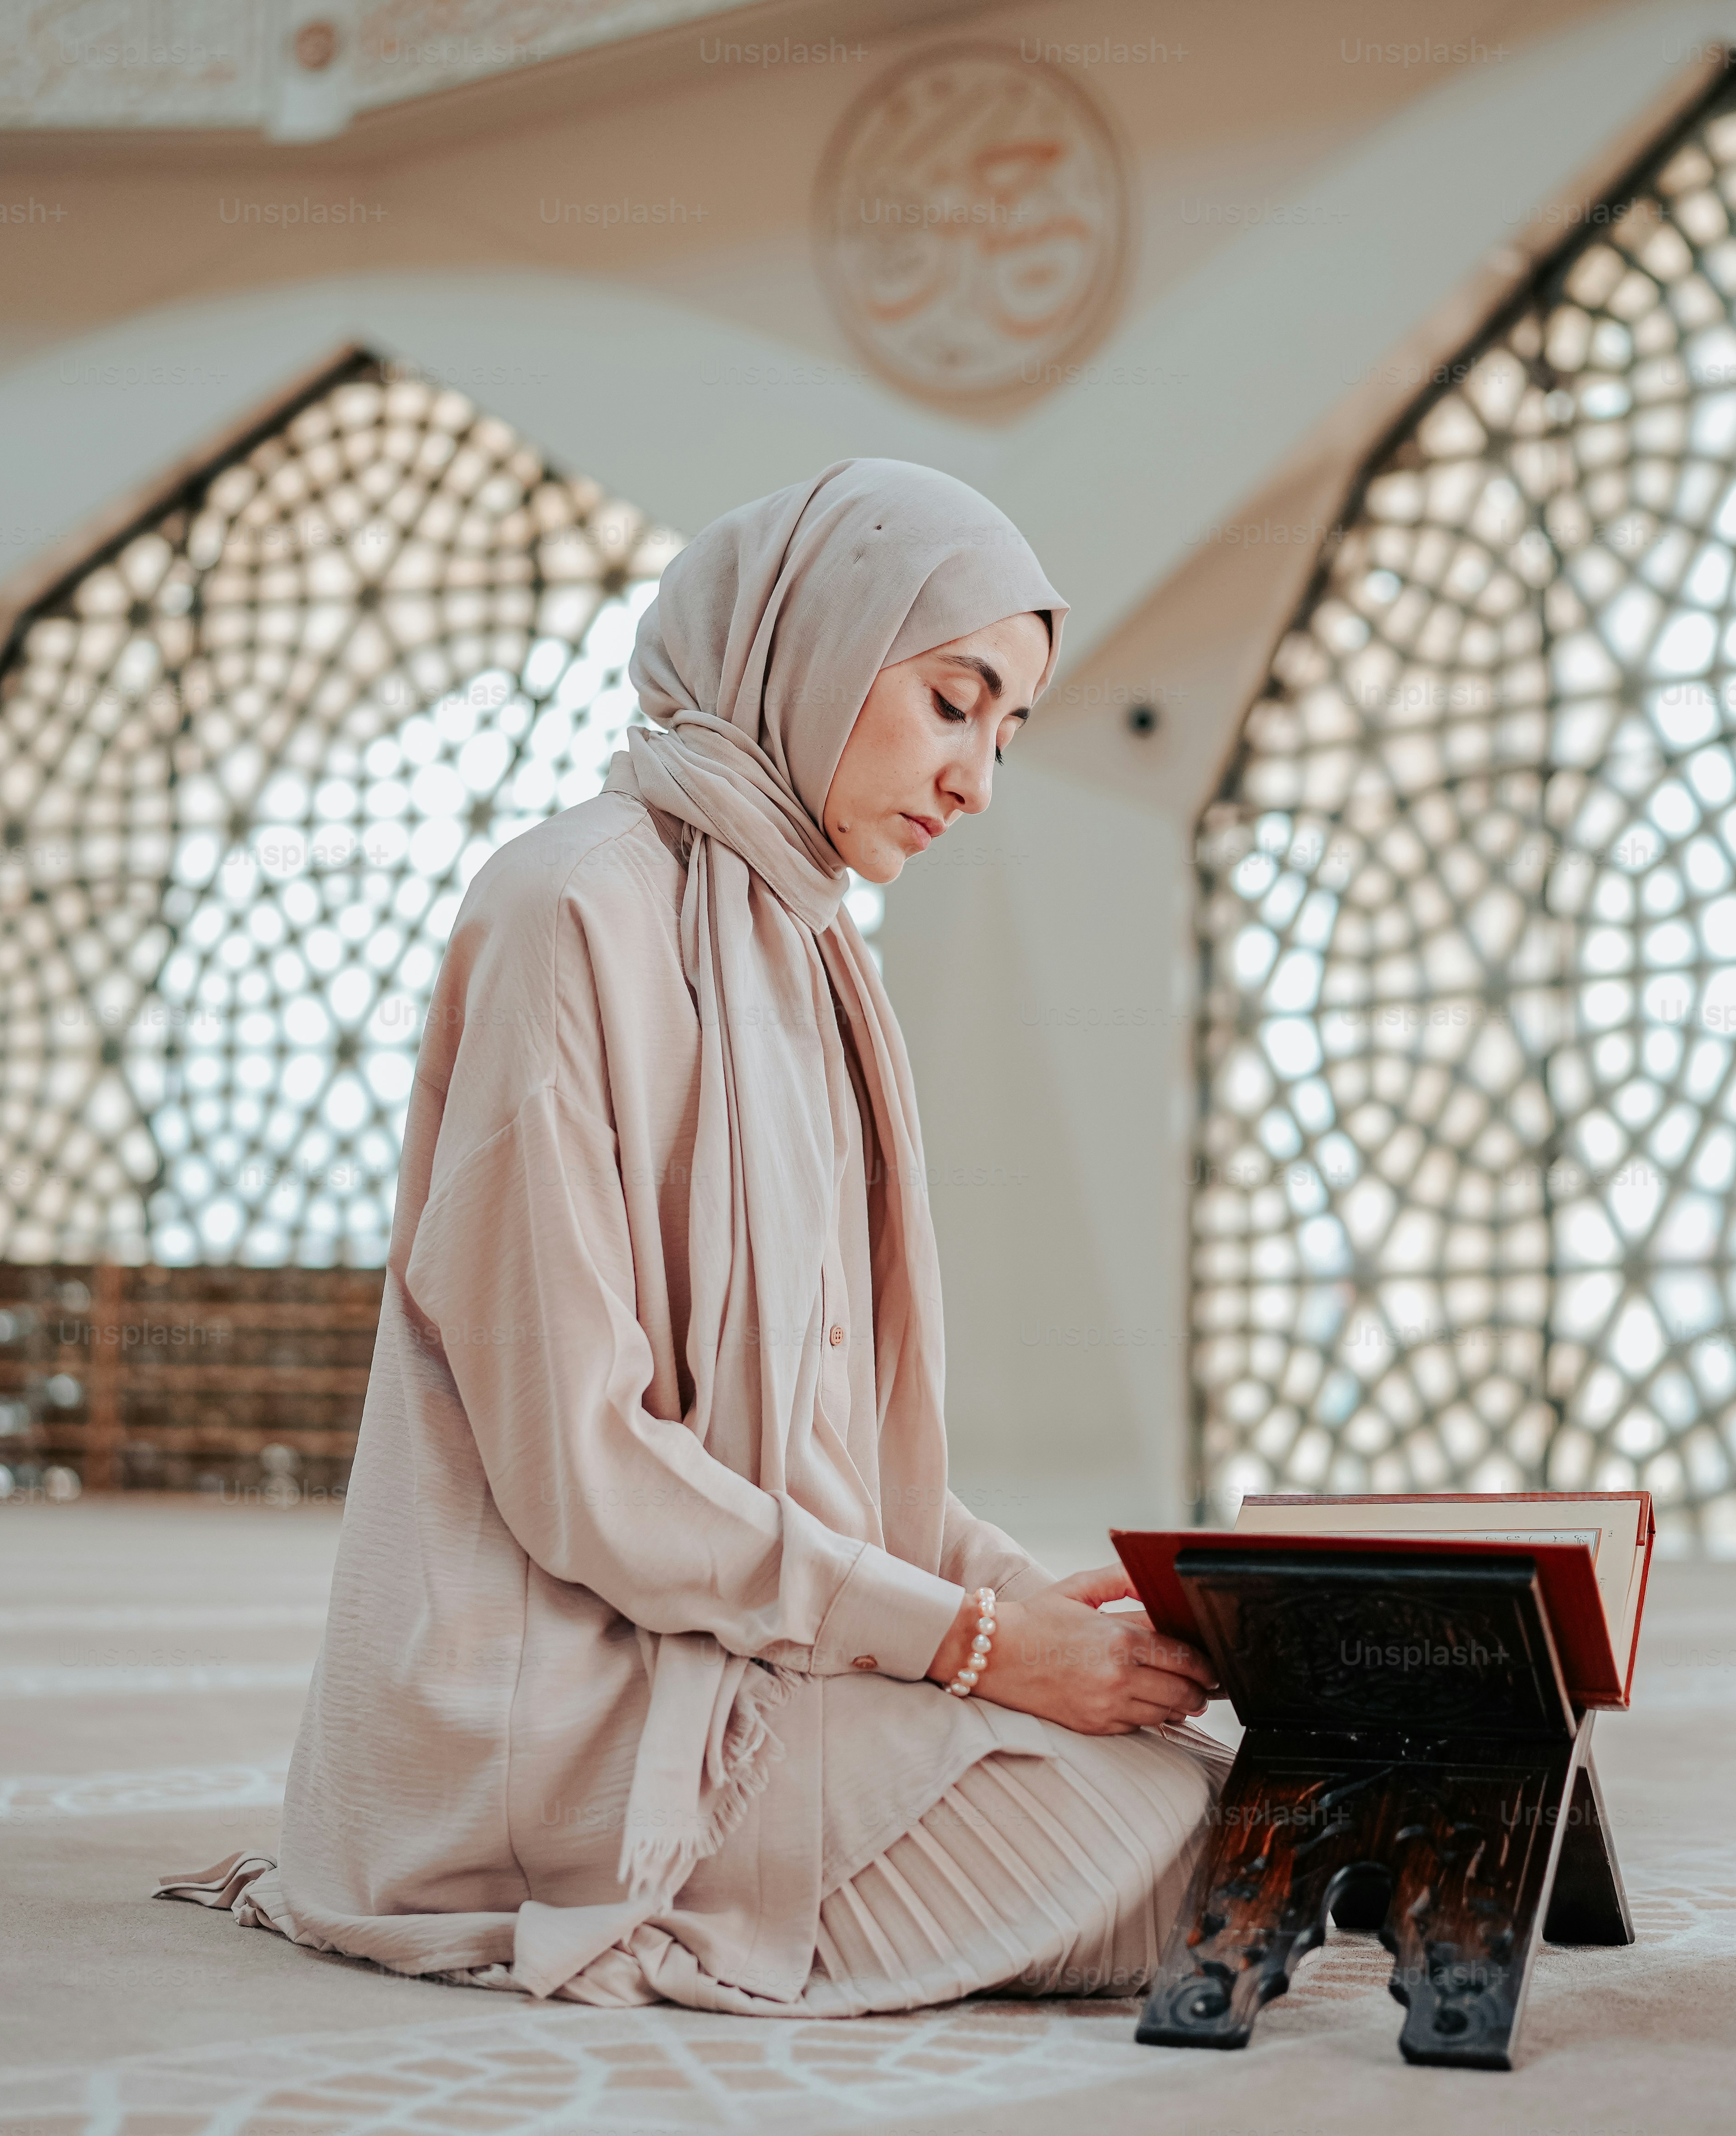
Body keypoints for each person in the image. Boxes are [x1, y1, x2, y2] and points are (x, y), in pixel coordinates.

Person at [155, 458, 1229, 2014]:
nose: (977, 781)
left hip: (739, 1640)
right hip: (567, 1684)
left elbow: (830, 1445)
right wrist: (972, 1648)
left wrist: (1011, 1599)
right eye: (951, 702)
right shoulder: (565, 910)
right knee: (1180, 1843)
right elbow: (583, 1467)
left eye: (1008, 731)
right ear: (813, 641)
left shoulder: (811, 960)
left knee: (1205, 1771)